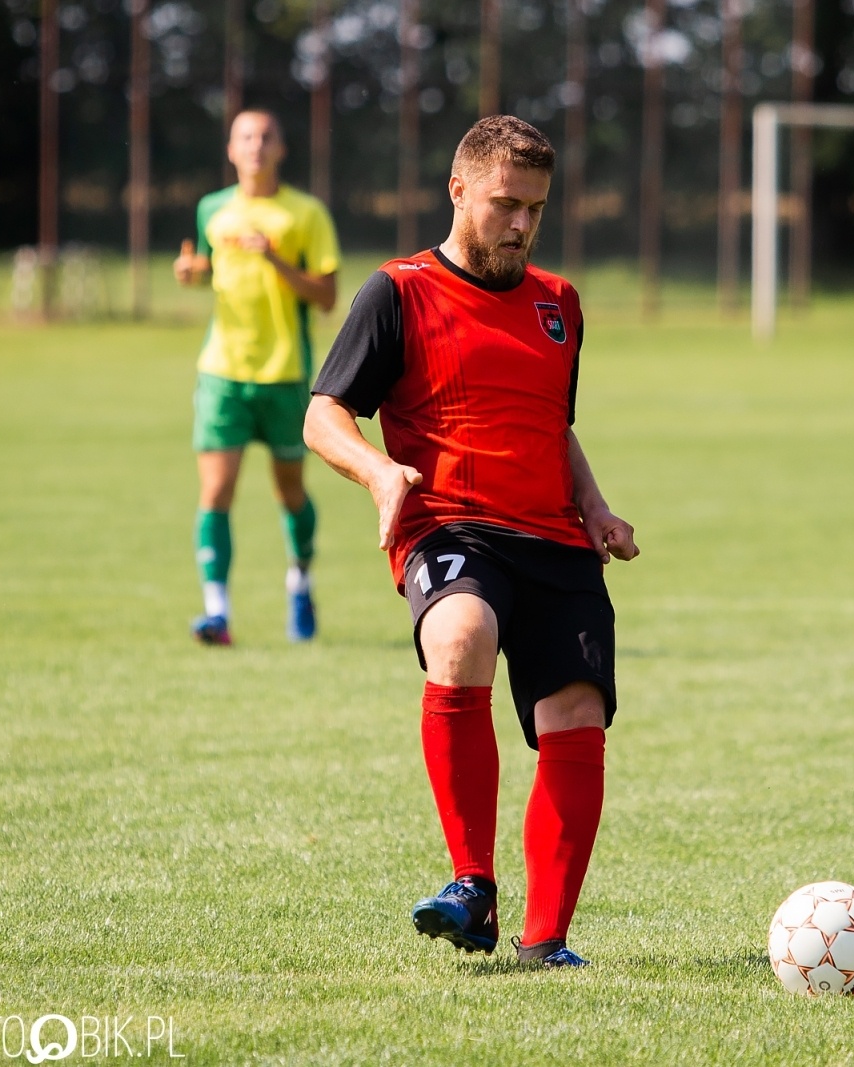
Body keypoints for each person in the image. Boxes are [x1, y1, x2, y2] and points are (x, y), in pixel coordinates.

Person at [304, 116, 638, 967]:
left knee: (576, 713)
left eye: (535, 208)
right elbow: (323, 414)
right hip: (450, 523)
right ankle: (472, 883)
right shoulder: (399, 291)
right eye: (504, 204)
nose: (521, 225)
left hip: (555, 539)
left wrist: (595, 506)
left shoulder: (558, 304)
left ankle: (545, 941)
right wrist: (381, 475)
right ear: (458, 190)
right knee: (460, 636)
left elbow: (551, 426)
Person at [173, 109, 340, 646]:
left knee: (290, 492)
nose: (256, 145)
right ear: (230, 148)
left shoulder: (305, 213)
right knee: (216, 490)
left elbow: (328, 295)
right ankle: (216, 612)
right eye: (246, 136)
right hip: (222, 372)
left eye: (267, 136)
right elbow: (205, 269)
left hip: (286, 373)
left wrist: (275, 260)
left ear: (281, 149)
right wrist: (192, 274)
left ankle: (300, 580)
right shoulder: (212, 209)